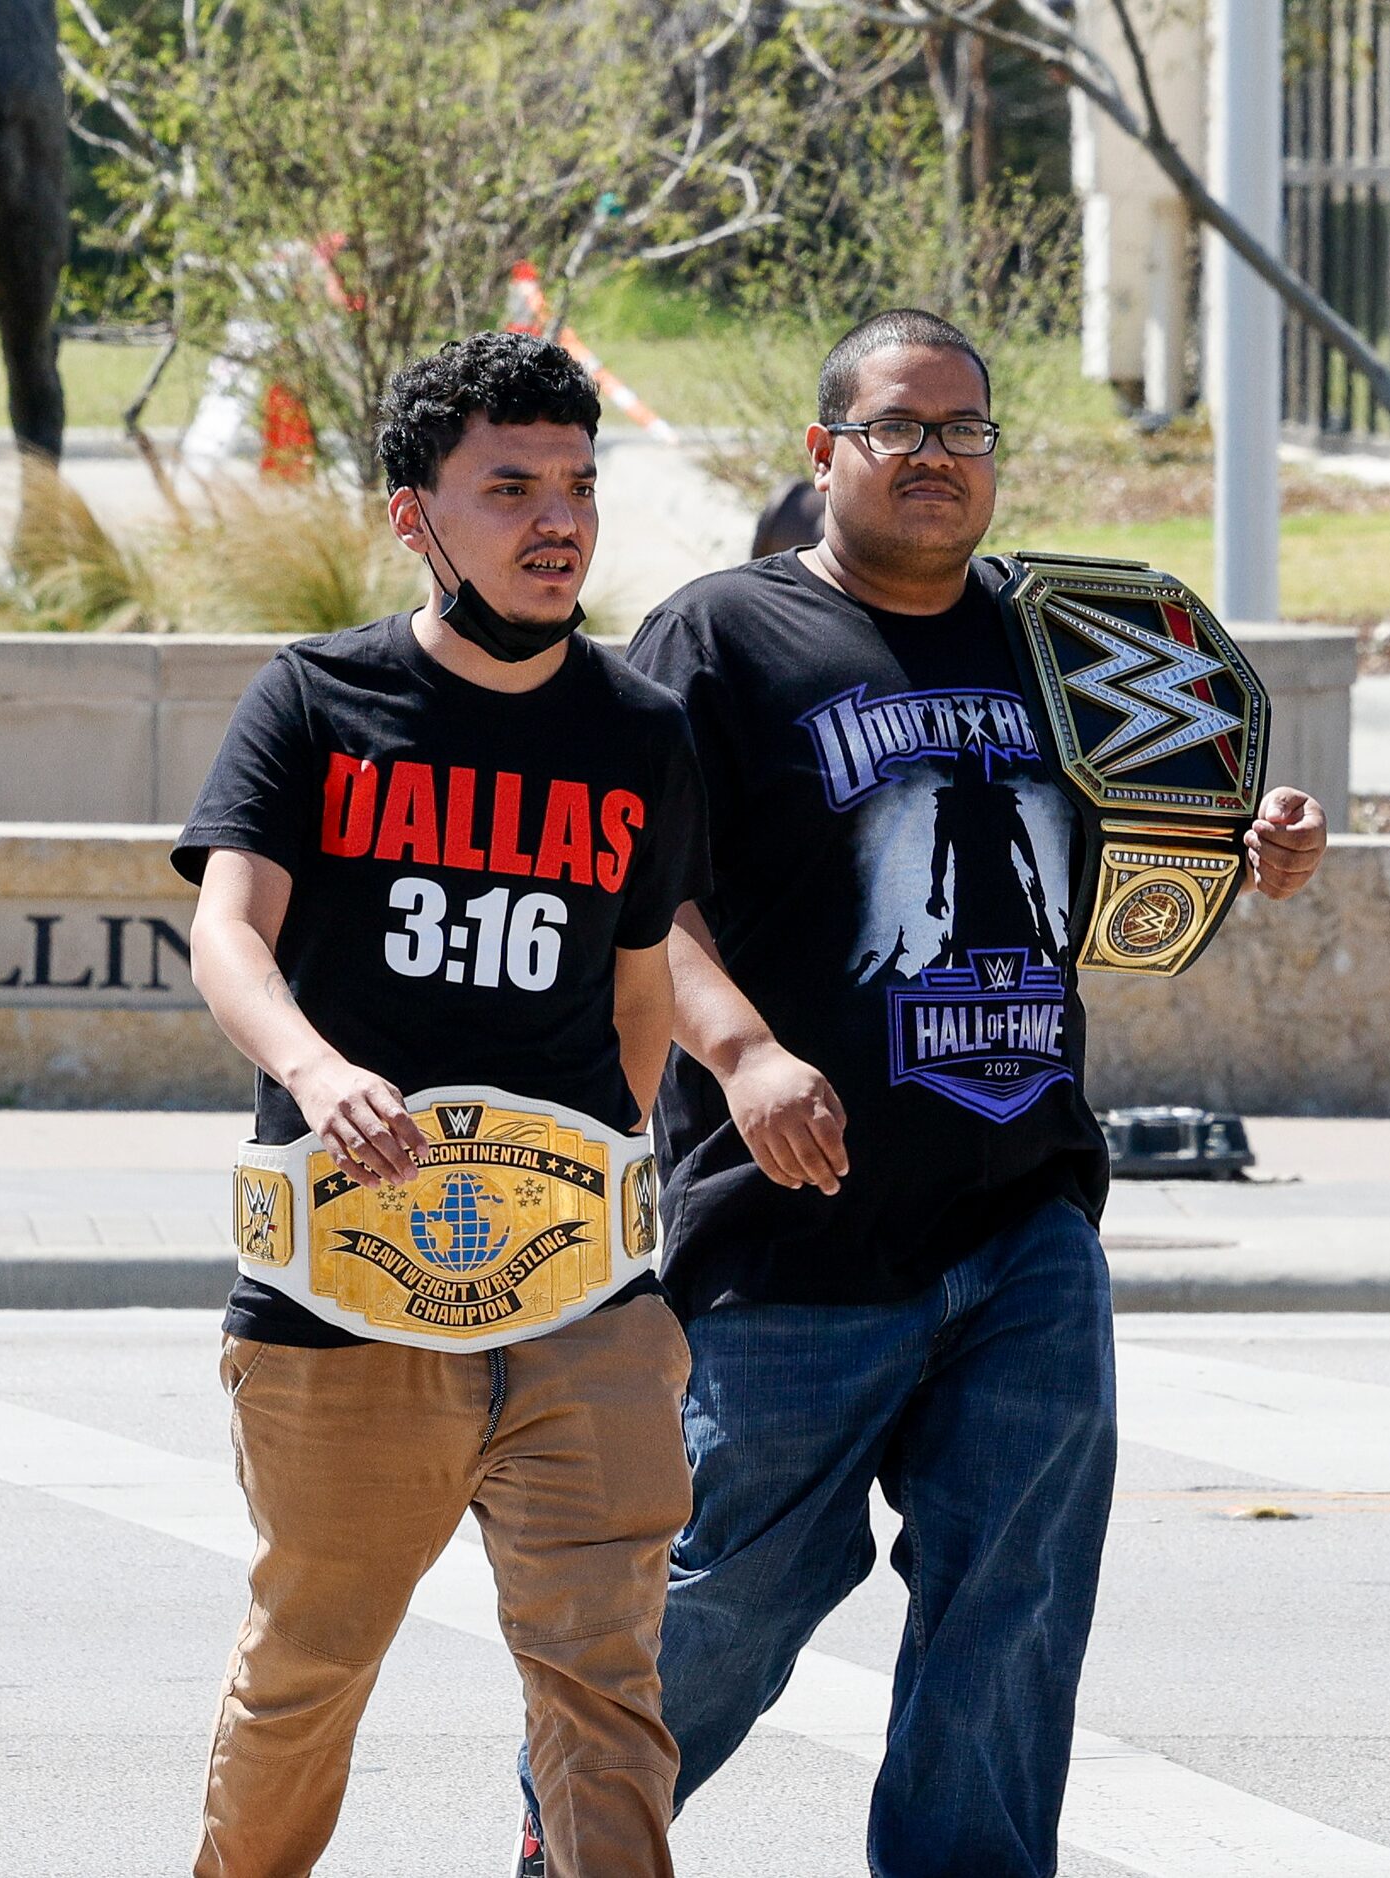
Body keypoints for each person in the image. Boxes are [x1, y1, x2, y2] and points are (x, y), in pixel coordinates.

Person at [516, 308, 1329, 1876]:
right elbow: (634, 890)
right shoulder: (720, 637)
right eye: (903, 428)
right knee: (733, 1584)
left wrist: (1252, 841)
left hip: (1021, 1205)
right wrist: (742, 1052)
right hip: (790, 1224)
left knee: (1011, 1593)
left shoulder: (1057, 636)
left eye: (967, 430)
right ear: (826, 451)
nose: (940, 458)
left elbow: (1135, 852)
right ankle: (573, 1839)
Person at [177, 332, 710, 1878]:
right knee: (307, 1671)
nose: (557, 522)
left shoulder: (637, 732)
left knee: (603, 1678)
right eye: (509, 488)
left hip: (579, 1298)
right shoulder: (314, 699)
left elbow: (636, 986)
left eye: (576, 487)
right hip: (341, 1285)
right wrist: (315, 1068)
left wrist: (594, 1183)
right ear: (415, 516)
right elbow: (227, 930)